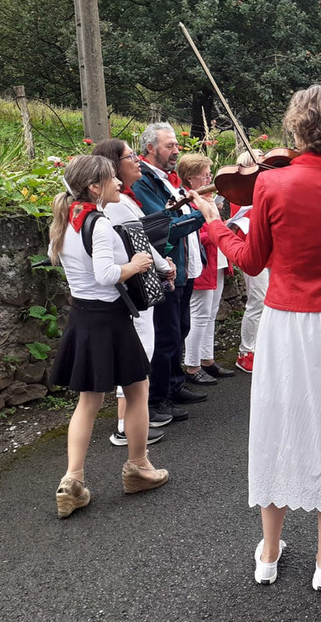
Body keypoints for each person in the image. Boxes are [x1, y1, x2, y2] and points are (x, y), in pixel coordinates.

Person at [191, 84, 321, 592]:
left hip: (286, 321)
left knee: (279, 428)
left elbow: (251, 259)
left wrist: (215, 223)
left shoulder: (271, 183)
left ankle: (268, 553)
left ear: (300, 125)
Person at [48, 155, 169, 518]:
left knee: (88, 401)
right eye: (112, 178)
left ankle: (72, 480)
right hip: (110, 319)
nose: (119, 183)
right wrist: (137, 265)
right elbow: (105, 275)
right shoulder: (98, 223)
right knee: (138, 391)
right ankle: (138, 467)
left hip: (82, 316)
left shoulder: (66, 218)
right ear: (94, 187)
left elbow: (59, 261)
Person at [92, 138, 175, 442]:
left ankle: (133, 420)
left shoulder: (120, 200)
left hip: (132, 282)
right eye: (131, 157)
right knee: (140, 349)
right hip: (133, 284)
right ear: (114, 165)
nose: (137, 160)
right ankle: (126, 425)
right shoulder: (117, 204)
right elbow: (139, 241)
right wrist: (165, 266)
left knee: (141, 348)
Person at [133, 123, 208, 419]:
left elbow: (177, 215)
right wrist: (203, 214)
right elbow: (161, 225)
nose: (177, 150)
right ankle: (157, 398)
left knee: (180, 330)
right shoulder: (144, 180)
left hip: (183, 267)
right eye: (170, 146)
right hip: (167, 269)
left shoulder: (168, 179)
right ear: (151, 148)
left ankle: (174, 385)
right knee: (165, 335)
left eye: (177, 145)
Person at [177, 153, 235, 386]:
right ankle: (192, 366)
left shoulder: (209, 199)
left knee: (211, 313)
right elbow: (191, 237)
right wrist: (218, 231)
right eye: (204, 176)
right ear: (190, 179)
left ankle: (207, 359)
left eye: (209, 175)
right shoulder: (186, 202)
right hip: (202, 264)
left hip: (217, 261)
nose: (209, 180)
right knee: (199, 316)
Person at [229, 150, 273, 373]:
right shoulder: (241, 193)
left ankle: (262, 347)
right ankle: (246, 351)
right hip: (252, 249)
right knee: (257, 301)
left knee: (268, 302)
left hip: (271, 251)